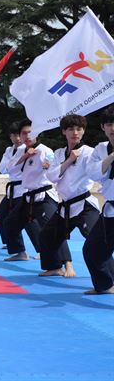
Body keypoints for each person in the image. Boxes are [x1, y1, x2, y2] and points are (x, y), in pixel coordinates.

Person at [38, 115, 99, 277]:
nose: (75, 133)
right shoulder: (58, 154)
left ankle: (109, 279)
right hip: (65, 206)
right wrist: (69, 160)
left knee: (98, 242)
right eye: (71, 129)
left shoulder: (89, 153)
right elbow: (51, 176)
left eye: (79, 129)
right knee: (46, 236)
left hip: (84, 205)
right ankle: (55, 267)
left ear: (83, 131)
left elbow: (96, 172)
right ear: (64, 131)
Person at [3, 120, 59, 261]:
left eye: (30, 133)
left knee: (49, 228)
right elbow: (10, 168)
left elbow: (53, 167)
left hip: (44, 195)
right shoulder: (21, 150)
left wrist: (48, 165)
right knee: (10, 222)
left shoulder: (45, 150)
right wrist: (25, 156)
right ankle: (20, 252)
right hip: (28, 195)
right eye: (24, 133)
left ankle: (62, 262)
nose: (27, 136)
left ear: (37, 134)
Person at [83, 106, 114, 294]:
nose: (113, 128)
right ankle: (106, 285)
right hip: (110, 210)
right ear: (103, 127)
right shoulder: (101, 149)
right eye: (110, 124)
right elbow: (93, 173)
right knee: (92, 250)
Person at [0, 122, 25, 249]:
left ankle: (42, 249)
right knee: (1, 215)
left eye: (19, 135)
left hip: (25, 189)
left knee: (28, 222)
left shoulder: (27, 149)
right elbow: (2, 169)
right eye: (14, 135)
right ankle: (9, 242)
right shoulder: (9, 150)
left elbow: (14, 168)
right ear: (10, 137)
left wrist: (10, 166)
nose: (17, 138)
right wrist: (10, 166)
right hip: (12, 190)